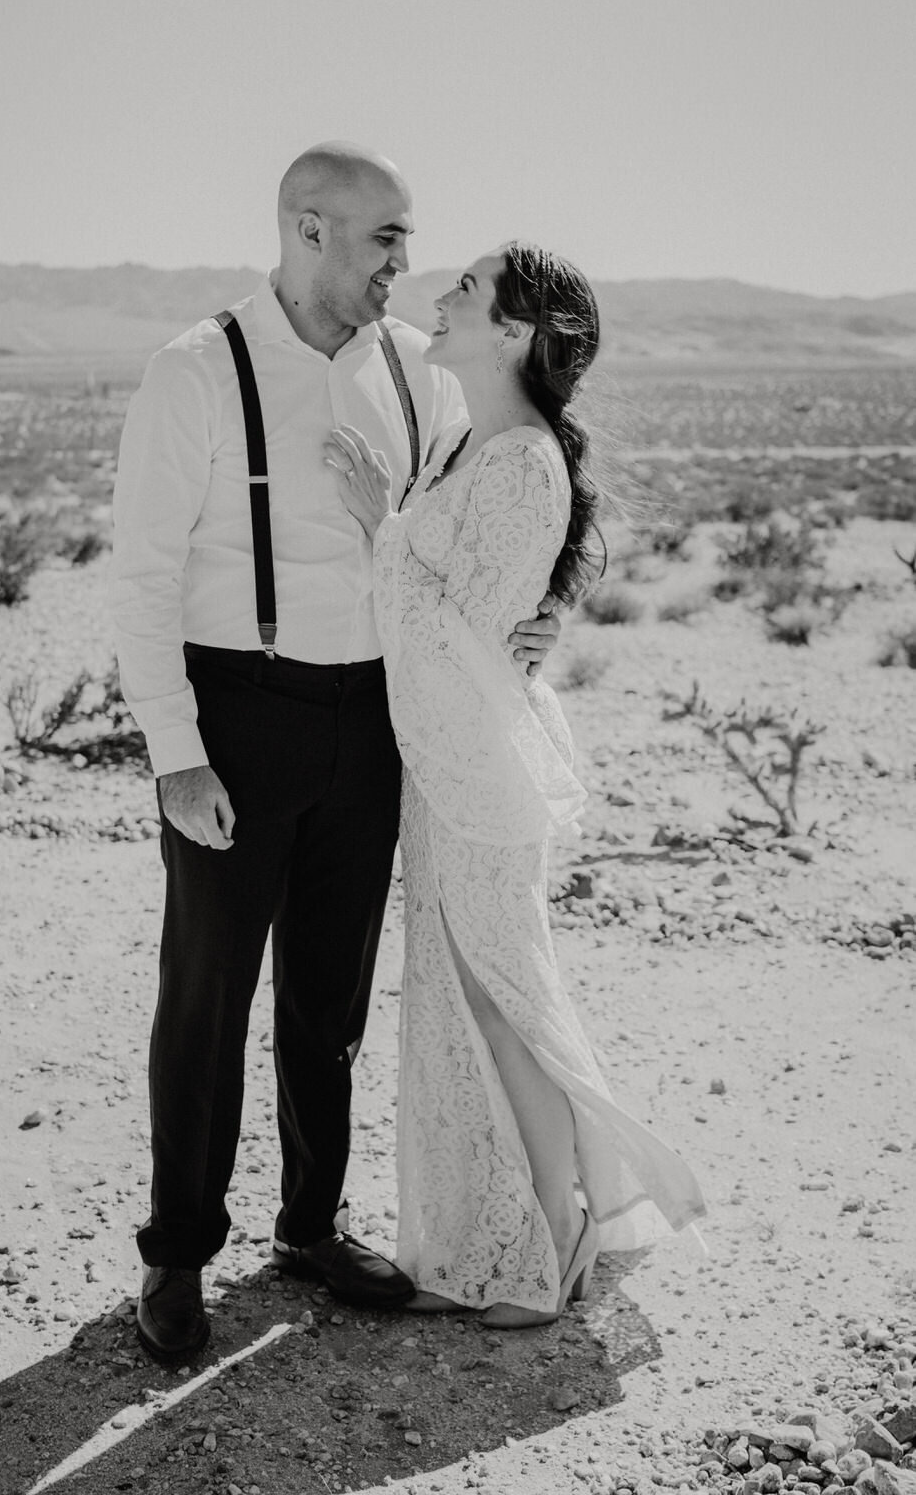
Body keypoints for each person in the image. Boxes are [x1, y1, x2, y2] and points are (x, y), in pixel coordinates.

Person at [110, 146, 561, 1361]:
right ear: (309, 229)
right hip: (238, 717)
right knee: (205, 997)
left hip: (376, 723)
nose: (403, 269)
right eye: (384, 241)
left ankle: (308, 1225)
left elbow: (520, 485)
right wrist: (175, 751)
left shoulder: (422, 374)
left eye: (409, 245)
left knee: (330, 996)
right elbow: (144, 576)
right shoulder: (196, 370)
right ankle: (177, 1253)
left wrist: (550, 602)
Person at [327, 241, 707, 1327]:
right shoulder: (473, 445)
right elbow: (477, 613)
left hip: (477, 775)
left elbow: (456, 635)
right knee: (474, 1001)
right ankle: (511, 1228)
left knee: (503, 1004)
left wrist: (376, 520)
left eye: (465, 288)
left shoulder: (518, 462)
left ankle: (556, 1228)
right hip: (453, 765)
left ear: (511, 332)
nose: (439, 294)